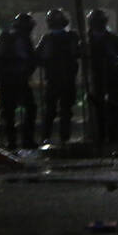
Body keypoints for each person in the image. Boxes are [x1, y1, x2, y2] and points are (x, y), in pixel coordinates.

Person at [0, 13, 39, 150]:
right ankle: (27, 140)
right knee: (30, 108)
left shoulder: (3, 36)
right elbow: (31, 59)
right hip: (19, 79)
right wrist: (27, 72)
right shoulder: (24, 39)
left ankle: (11, 142)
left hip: (4, 79)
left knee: (8, 112)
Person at [36, 9, 80, 145]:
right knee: (65, 110)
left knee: (50, 110)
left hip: (53, 79)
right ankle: (64, 138)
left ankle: (46, 137)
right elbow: (77, 53)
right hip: (67, 78)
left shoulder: (47, 38)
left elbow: (38, 56)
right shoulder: (72, 36)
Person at [87, 9, 118, 143]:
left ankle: (114, 134)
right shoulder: (87, 39)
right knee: (98, 107)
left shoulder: (112, 38)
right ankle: (100, 135)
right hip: (96, 76)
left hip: (112, 77)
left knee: (114, 106)